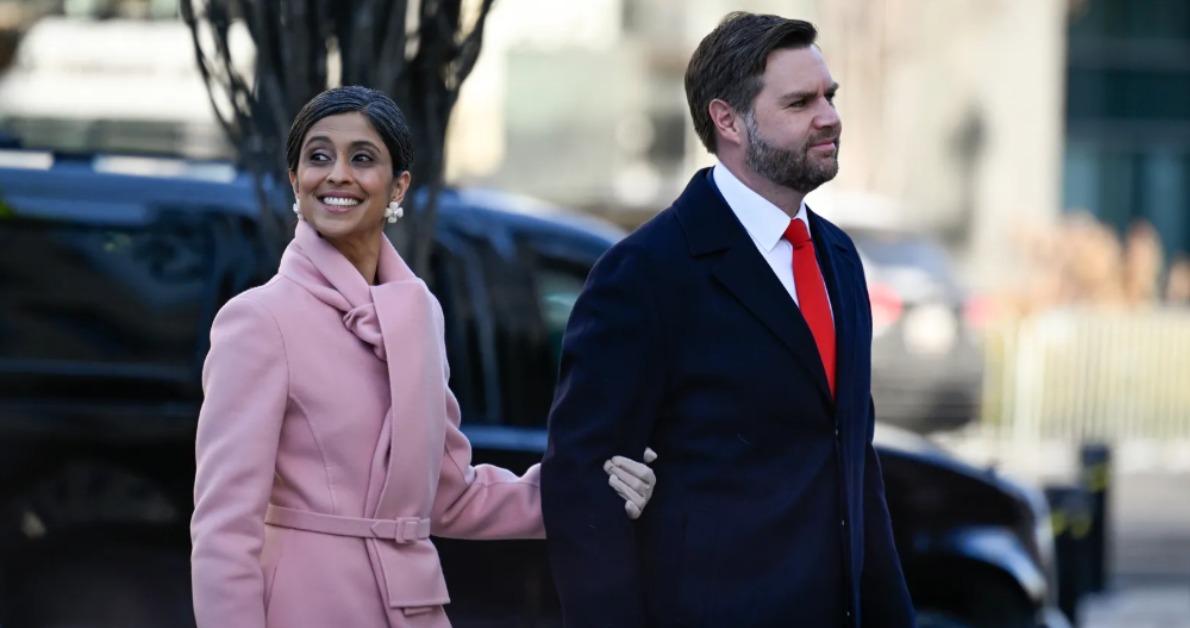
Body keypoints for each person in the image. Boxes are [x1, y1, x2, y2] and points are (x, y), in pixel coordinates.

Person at [190, 86, 657, 628]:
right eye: (318, 157)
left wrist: (584, 488)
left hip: (413, 609)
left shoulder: (418, 316)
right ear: (295, 182)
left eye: (362, 158)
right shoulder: (258, 321)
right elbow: (224, 529)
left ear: (399, 186)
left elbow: (449, 497)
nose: (337, 173)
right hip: (304, 606)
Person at [541, 13, 915, 628]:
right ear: (727, 120)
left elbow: (855, 467)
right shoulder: (643, 274)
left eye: (829, 96)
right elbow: (583, 493)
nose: (829, 117)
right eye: (800, 102)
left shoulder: (842, 261)